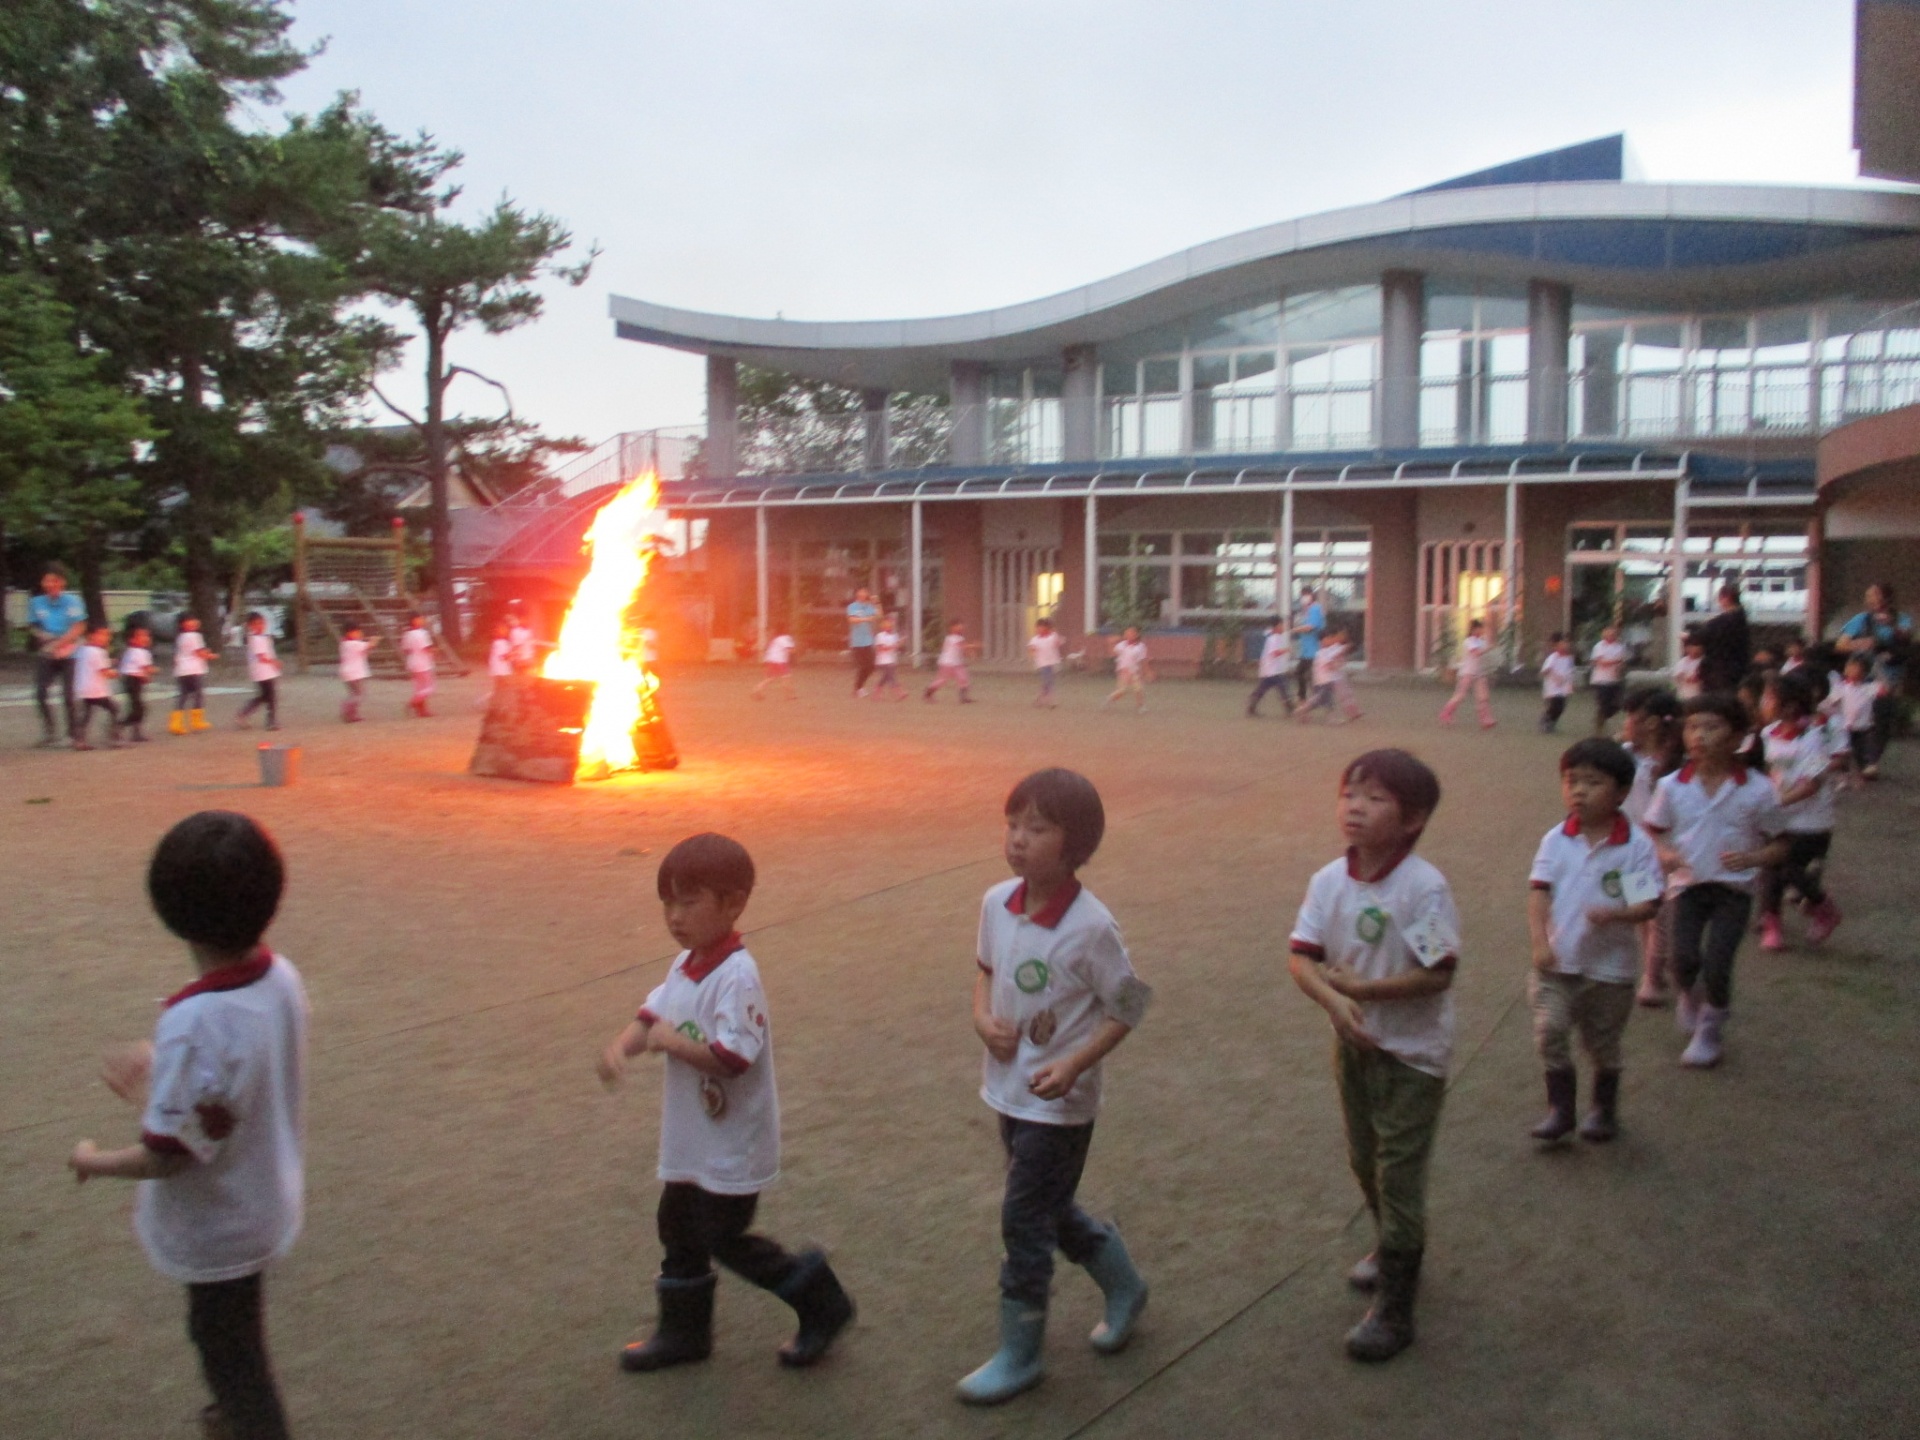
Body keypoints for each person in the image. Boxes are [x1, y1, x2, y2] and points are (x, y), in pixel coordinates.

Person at [68, 811, 307, 1440]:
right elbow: (234, 1075)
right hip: (262, 1195)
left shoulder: (196, 1025)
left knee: (230, 1354)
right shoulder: (280, 978)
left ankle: (248, 1425)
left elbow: (167, 1155)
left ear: (169, 910)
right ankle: (235, 1419)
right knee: (234, 1336)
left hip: (221, 1224)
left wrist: (93, 1159)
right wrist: (160, 1067)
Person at [597, 833, 855, 1373]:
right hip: (692, 1138)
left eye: (689, 902)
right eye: (668, 902)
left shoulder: (737, 976)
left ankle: (818, 1298)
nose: (674, 915)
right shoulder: (685, 965)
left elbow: (733, 1057)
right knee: (676, 1224)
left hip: (734, 1140)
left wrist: (674, 1044)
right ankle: (684, 1331)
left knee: (725, 1236)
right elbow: (652, 1014)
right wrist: (624, 1045)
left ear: (733, 904)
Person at [958, 769, 1152, 1404]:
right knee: (1047, 1205)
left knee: (1023, 1217)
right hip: (1008, 1092)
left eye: (1036, 829)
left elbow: (1128, 1006)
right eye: (1012, 825)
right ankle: (1122, 1282)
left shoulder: (1093, 927)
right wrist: (982, 1019)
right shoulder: (995, 903)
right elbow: (985, 973)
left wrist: (1074, 1064)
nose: (1018, 839)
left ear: (1076, 845)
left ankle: (1021, 1353)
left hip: (1061, 1107)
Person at [1287, 749, 1458, 1362]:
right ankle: (1389, 1243)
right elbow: (1301, 958)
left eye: (1374, 798)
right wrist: (1335, 1004)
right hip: (1353, 1045)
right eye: (1349, 793)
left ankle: (1396, 1308)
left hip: (1412, 1056)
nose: (1355, 807)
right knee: (1364, 1160)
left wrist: (1364, 991)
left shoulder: (1422, 887)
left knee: (1398, 1172)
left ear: (1412, 819)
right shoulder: (1329, 881)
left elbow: (1439, 973)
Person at [1526, 738, 1664, 1144]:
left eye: (1592, 782)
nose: (1578, 791)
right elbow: (1538, 892)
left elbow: (1647, 903)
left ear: (1621, 792)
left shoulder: (1634, 846)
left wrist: (1617, 914)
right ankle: (1560, 1109)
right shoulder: (1556, 839)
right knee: (1549, 1029)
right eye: (1571, 781)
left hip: (1609, 969)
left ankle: (1603, 1109)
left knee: (1602, 1042)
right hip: (1557, 961)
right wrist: (1539, 941)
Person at [1642, 694, 1790, 1069]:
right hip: (1686, 887)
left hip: (1733, 889)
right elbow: (1653, 833)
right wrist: (1666, 854)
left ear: (1738, 736)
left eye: (1711, 727)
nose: (1700, 736)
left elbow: (1781, 844)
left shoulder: (1757, 789)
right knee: (1681, 959)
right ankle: (1691, 1000)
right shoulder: (1673, 785)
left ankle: (1710, 1029)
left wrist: (1754, 858)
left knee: (1718, 964)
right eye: (1693, 727)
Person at [1756, 671, 1848, 949]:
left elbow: (1813, 784)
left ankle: (1823, 907)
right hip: (1778, 818)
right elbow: (1767, 771)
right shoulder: (1767, 735)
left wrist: (1780, 800)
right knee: (1771, 869)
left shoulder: (1811, 739)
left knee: (1791, 871)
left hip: (1811, 821)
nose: (1764, 702)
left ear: (1791, 706)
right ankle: (1772, 925)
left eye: (1769, 697)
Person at [1620, 687, 1684, 1007]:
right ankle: (1656, 967)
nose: (1627, 722)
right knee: (1645, 914)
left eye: (1632, 716)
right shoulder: (1625, 756)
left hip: (1664, 851)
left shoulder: (1674, 766)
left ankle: (1654, 977)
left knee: (1658, 917)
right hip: (1634, 851)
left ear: (1652, 724)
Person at [1836, 581, 1913, 775]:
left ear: (1887, 597)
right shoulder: (1861, 620)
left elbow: (1906, 639)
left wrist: (1892, 628)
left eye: (1876, 595)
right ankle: (1863, 760)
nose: (1871, 599)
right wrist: (1863, 643)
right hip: (1864, 679)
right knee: (1860, 719)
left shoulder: (1901, 619)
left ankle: (1871, 760)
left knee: (1882, 718)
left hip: (1890, 677)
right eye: (1869, 595)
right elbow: (1841, 645)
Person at [28, 564, 88, 747]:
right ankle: (49, 730)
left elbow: (79, 626)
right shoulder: (36, 603)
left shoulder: (73, 601)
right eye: (46, 580)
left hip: (70, 650)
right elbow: (33, 626)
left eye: (54, 580)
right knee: (40, 692)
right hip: (48, 649)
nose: (50, 584)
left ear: (62, 582)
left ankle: (74, 734)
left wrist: (61, 643)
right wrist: (45, 638)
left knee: (69, 695)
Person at [1436, 619, 1495, 729]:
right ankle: (1446, 713)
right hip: (1467, 673)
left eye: (1482, 629)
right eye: (1479, 629)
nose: (1481, 631)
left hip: (1479, 673)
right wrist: (1487, 649)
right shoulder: (1469, 641)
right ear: (1473, 629)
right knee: (1460, 695)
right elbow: (1476, 653)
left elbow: (1486, 649)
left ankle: (1486, 719)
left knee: (1483, 697)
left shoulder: (1481, 641)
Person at [72, 624, 122, 750]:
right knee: (114, 708)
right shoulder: (99, 651)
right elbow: (104, 671)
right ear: (91, 636)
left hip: (83, 688)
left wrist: (109, 661)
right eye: (102, 634)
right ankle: (113, 737)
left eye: (107, 635)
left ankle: (79, 740)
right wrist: (115, 673)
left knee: (86, 714)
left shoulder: (82, 650)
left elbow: (90, 665)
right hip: (96, 690)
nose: (106, 638)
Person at [1833, 652, 1883, 780]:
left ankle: (1868, 767)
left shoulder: (1869, 687)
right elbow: (1831, 702)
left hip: (1863, 727)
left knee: (1865, 748)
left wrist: (1878, 672)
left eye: (1855, 667)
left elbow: (1885, 690)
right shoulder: (1841, 687)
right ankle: (1844, 773)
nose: (1850, 669)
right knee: (1844, 751)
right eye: (1849, 666)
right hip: (1845, 727)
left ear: (1864, 671)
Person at [1697, 582, 1751, 693]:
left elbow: (1705, 636)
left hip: (1721, 670)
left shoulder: (1722, 622)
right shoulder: (1741, 618)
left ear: (1726, 598)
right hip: (1736, 667)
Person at [233, 614, 281, 731]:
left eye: (262, 623)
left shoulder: (262, 637)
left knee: (266, 696)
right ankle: (270, 721)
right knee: (270, 697)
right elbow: (261, 657)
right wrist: (274, 662)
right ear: (250, 626)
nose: (260, 626)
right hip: (262, 671)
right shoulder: (255, 639)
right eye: (256, 624)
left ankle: (244, 713)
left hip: (267, 671)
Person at [170, 616, 214, 736]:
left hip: (181, 670)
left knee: (183, 695)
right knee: (198, 695)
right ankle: (197, 721)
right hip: (193, 669)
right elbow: (199, 652)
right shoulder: (195, 636)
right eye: (190, 620)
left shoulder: (180, 637)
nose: (194, 622)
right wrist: (210, 656)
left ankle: (176, 723)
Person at [1247, 616, 1295, 717]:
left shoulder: (1275, 637)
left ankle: (1252, 706)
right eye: (1282, 625)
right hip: (1272, 670)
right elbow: (1274, 653)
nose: (1283, 627)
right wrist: (1286, 650)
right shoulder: (1273, 638)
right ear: (1277, 626)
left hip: (1270, 670)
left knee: (1263, 689)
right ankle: (1290, 708)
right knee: (1283, 687)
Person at [1588, 624, 1630, 734]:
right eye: (1609, 634)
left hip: (1615, 679)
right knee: (1603, 702)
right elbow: (1599, 662)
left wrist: (1621, 666)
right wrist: (1616, 661)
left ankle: (1602, 716)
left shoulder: (1620, 647)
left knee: (1617, 704)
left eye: (1614, 634)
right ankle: (1600, 722)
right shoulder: (1599, 646)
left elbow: (1623, 662)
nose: (1612, 636)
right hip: (1601, 680)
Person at [119, 623, 156, 743]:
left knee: (137, 706)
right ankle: (120, 725)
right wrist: (153, 671)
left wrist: (146, 676)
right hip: (132, 680)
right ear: (132, 640)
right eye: (141, 636)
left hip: (132, 680)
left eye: (147, 636)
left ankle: (136, 732)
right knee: (138, 708)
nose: (146, 638)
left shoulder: (134, 651)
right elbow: (147, 668)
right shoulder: (138, 652)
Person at [1101, 627, 1152, 713]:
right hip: (1124, 670)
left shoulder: (1141, 646)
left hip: (1135, 670)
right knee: (1122, 691)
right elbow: (1112, 654)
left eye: (1131, 633)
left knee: (1138, 688)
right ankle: (1109, 699)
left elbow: (1143, 659)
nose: (1129, 635)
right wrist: (1110, 644)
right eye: (1127, 634)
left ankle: (1141, 706)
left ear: (1136, 635)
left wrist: (1147, 671)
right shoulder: (1122, 645)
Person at [924, 622, 976, 703]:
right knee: (943, 680)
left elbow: (961, 649)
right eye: (958, 626)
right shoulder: (956, 638)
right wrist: (974, 646)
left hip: (954, 662)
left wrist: (970, 652)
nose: (960, 628)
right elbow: (962, 647)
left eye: (961, 626)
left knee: (963, 678)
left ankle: (963, 698)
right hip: (948, 662)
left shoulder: (950, 638)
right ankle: (928, 693)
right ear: (952, 628)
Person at [846, 587, 880, 698]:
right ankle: (858, 688)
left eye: (865, 591)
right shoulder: (852, 607)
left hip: (868, 641)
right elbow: (852, 620)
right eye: (861, 591)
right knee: (862, 666)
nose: (864, 593)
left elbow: (879, 615)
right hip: (857, 641)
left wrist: (877, 603)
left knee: (871, 666)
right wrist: (865, 619)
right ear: (857, 593)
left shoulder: (869, 606)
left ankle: (859, 687)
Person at [1294, 587, 1326, 705]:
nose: (1304, 597)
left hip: (1314, 649)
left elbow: (1310, 627)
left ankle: (1313, 699)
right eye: (1303, 595)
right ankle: (1306, 699)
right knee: (1302, 673)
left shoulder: (1315, 609)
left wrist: (1296, 629)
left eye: (1306, 595)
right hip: (1306, 649)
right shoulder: (1305, 611)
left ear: (1311, 595)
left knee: (1309, 676)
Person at [340, 624, 376, 723]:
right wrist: (373, 640)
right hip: (354, 672)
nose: (359, 634)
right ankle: (347, 708)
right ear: (349, 633)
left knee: (354, 693)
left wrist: (369, 645)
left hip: (350, 672)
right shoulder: (352, 644)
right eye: (357, 632)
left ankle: (352, 714)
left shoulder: (345, 643)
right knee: (359, 694)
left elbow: (365, 652)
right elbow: (369, 645)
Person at [1540, 633, 1576, 732]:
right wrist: (1556, 677)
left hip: (1563, 687)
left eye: (1566, 643)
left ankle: (1552, 721)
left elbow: (1570, 672)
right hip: (1553, 687)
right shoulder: (1553, 657)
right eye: (1562, 644)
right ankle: (1546, 720)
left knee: (1561, 707)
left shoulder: (1569, 658)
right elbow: (1545, 670)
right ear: (1556, 646)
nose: (1565, 645)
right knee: (1554, 705)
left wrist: (1570, 684)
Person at [400, 614, 435, 718]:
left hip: (412, 662)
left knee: (419, 687)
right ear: (415, 620)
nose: (422, 620)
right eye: (420, 619)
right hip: (423, 662)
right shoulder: (422, 633)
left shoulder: (407, 633)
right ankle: (414, 702)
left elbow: (405, 649)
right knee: (429, 687)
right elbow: (426, 647)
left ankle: (422, 710)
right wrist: (434, 652)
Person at [1028, 618, 1065, 709]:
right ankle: (1051, 700)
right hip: (1043, 663)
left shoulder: (1053, 636)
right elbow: (1031, 648)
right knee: (1048, 680)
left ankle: (1039, 698)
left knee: (1047, 682)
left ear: (1047, 628)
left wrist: (1057, 638)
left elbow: (1058, 643)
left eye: (1041, 628)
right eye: (1038, 628)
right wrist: (1033, 651)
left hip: (1053, 662)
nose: (1038, 630)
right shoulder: (1035, 639)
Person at [753, 629, 798, 700]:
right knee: (786, 678)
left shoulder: (776, 639)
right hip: (780, 661)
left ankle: (757, 690)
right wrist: (795, 650)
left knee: (770, 678)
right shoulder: (785, 638)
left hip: (771, 660)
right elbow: (789, 650)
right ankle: (789, 696)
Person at [871, 615, 906, 700]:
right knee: (891, 676)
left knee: (885, 678)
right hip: (883, 660)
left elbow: (897, 646)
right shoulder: (880, 635)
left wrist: (902, 641)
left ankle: (876, 693)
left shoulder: (894, 635)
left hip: (892, 659)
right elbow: (880, 648)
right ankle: (899, 693)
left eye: (893, 622)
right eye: (890, 622)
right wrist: (893, 646)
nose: (891, 624)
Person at [1672, 631, 1704, 701]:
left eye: (1695, 646)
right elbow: (1677, 676)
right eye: (1688, 647)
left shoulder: (1703, 661)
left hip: (1699, 693)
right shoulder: (1683, 662)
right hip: (1685, 693)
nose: (1691, 649)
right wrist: (1683, 677)